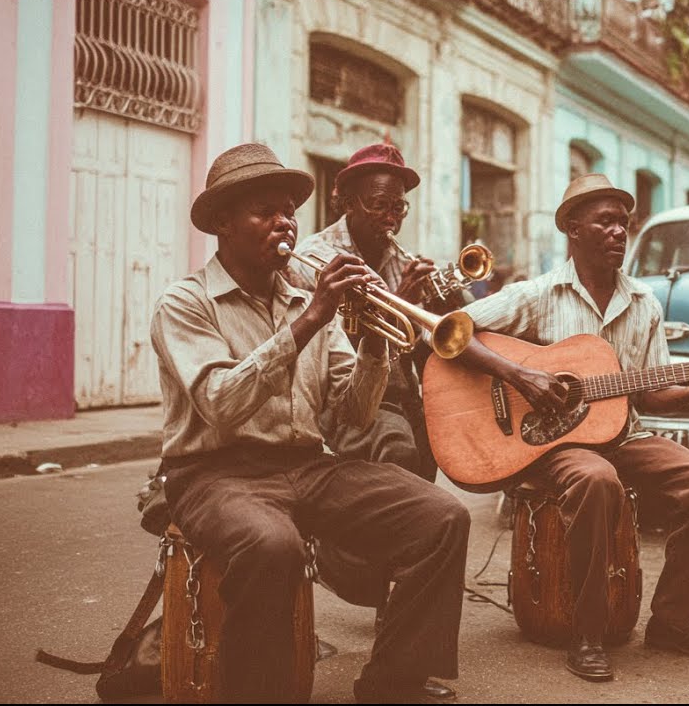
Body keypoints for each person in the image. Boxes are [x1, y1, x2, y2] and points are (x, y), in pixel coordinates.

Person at [150, 143, 468, 704]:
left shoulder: (304, 299)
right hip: (213, 474)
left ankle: (393, 683)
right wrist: (312, 318)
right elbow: (221, 402)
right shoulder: (186, 303)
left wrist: (375, 340)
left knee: (441, 516)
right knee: (274, 545)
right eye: (264, 211)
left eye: (289, 212)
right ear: (222, 222)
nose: (284, 224)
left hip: (306, 465)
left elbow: (353, 417)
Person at [454, 173, 689, 683]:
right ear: (572, 227)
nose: (619, 232)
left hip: (624, 436)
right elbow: (451, 332)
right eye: (605, 221)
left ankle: (674, 620)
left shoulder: (644, 304)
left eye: (624, 224)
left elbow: (653, 392)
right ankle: (586, 631)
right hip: (553, 444)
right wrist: (517, 372)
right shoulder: (539, 294)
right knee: (596, 479)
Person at [288, 143, 441, 483]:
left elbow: (415, 342)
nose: (391, 219)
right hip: (344, 399)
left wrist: (431, 305)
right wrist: (398, 299)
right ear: (346, 204)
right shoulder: (315, 257)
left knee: (435, 458)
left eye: (399, 208)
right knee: (402, 458)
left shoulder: (402, 259)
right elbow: (326, 344)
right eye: (379, 206)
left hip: (402, 393)